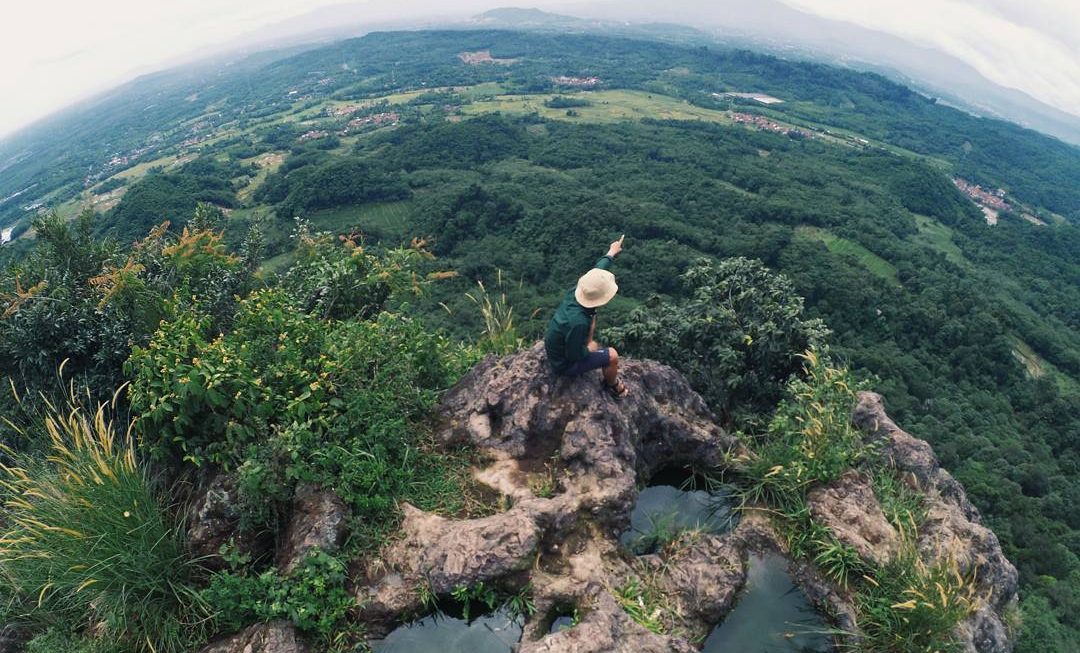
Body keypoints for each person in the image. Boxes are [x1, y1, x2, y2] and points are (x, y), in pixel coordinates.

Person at [544, 235, 628, 398]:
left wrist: (611, 253)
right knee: (612, 355)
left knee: (592, 324)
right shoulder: (579, 323)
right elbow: (574, 355)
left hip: (557, 344)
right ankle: (612, 386)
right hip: (563, 364)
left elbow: (598, 272)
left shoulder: (577, 292)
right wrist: (589, 348)